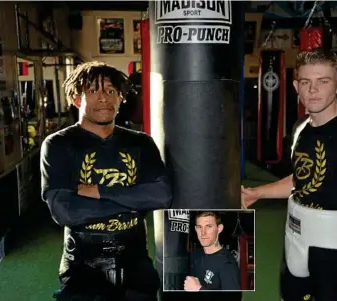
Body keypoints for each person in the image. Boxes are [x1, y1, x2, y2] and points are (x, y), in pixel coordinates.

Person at [242, 48, 337, 301]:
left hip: (331, 251)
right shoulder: (301, 128)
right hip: (294, 238)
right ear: (296, 86)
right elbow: (302, 179)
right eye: (306, 82)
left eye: (323, 81)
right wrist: (257, 192)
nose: (313, 90)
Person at [40, 61, 172, 301]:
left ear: (121, 99)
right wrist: (135, 201)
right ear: (76, 98)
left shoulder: (141, 143)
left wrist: (98, 191)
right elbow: (66, 212)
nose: (103, 98)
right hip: (83, 264)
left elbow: (161, 195)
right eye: (93, 91)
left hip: (135, 262)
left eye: (111, 91)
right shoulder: (58, 144)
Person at [184, 211, 241, 291]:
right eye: (200, 227)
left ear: (219, 228)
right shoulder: (194, 256)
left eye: (209, 226)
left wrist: (199, 289)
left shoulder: (227, 264)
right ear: (196, 229)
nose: (203, 233)